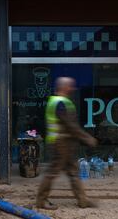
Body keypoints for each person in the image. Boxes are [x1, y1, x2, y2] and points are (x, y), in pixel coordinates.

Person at [36, 77, 98, 210]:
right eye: (71, 86)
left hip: (66, 142)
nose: (73, 88)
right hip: (60, 143)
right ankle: (41, 200)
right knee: (53, 171)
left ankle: (82, 200)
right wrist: (86, 138)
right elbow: (70, 125)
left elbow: (70, 126)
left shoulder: (61, 101)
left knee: (72, 172)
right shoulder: (60, 103)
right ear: (63, 87)